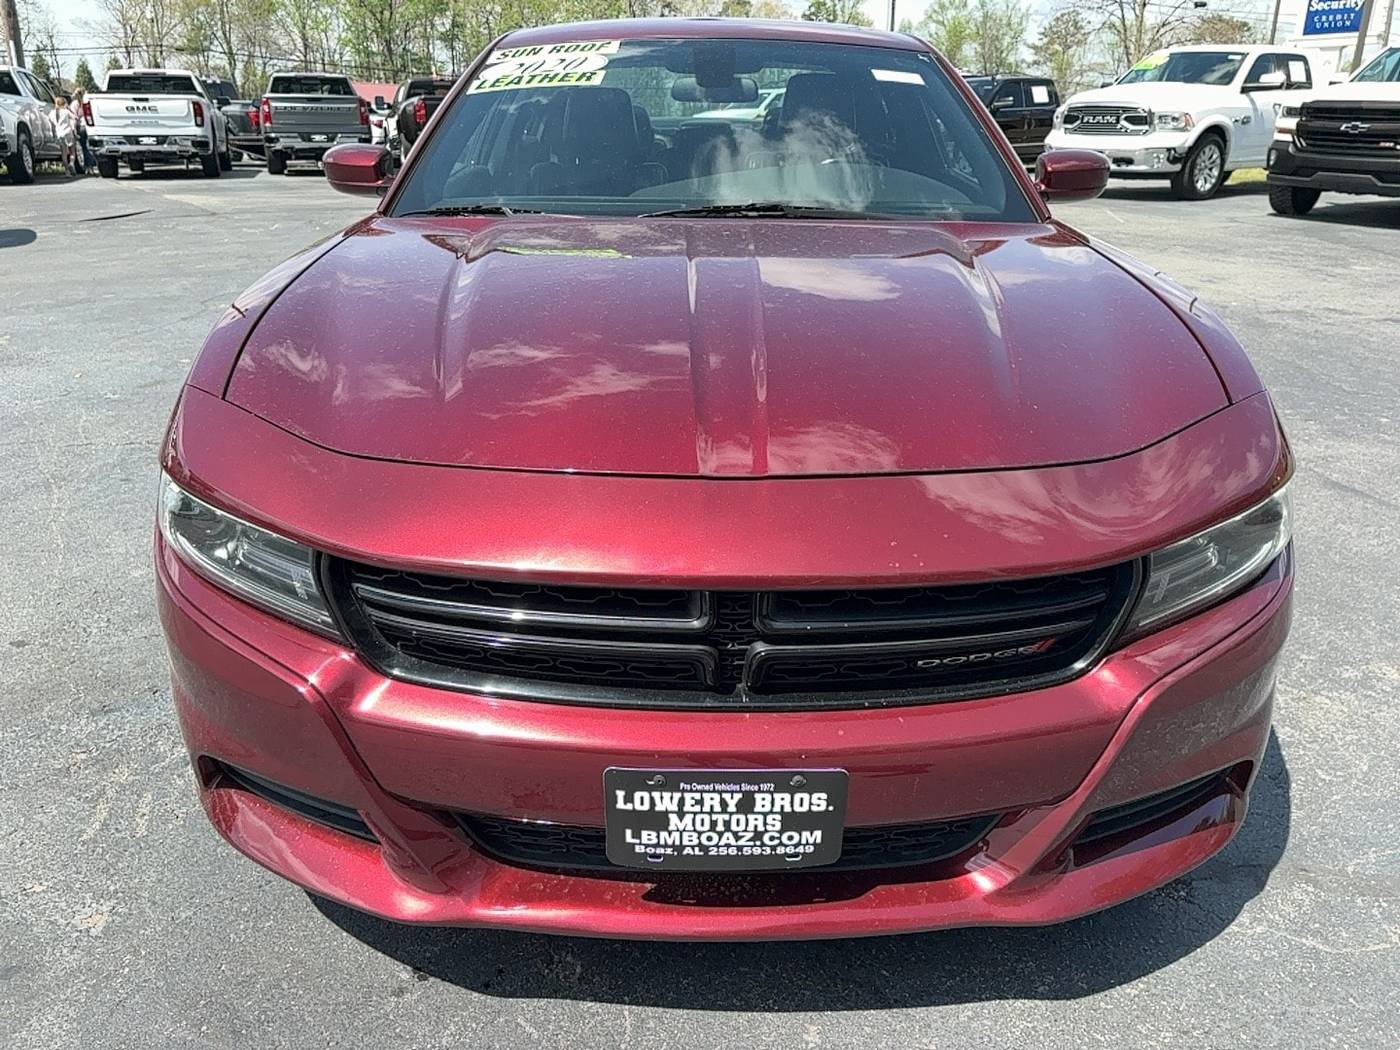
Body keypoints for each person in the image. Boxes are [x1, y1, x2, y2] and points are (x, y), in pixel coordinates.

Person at [70, 90, 95, 174]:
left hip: (81, 126)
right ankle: (91, 166)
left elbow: (74, 117)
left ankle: (88, 166)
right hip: (90, 125)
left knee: (83, 147)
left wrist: (74, 129)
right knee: (89, 146)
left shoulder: (74, 104)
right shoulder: (88, 101)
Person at [52, 95, 77, 175]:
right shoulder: (66, 111)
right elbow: (74, 117)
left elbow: (52, 125)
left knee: (64, 153)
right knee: (72, 151)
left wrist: (54, 134)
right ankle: (72, 163)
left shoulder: (52, 113)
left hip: (59, 134)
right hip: (68, 132)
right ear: (64, 103)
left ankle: (67, 171)